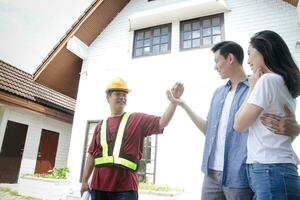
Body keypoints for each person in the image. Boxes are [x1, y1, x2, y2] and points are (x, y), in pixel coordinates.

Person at [167, 40, 300, 200]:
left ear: (230, 58)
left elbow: (278, 124)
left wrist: (296, 128)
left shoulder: (257, 86)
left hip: (240, 175)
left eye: (217, 61)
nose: (215, 66)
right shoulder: (218, 93)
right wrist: (183, 104)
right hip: (211, 174)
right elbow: (209, 131)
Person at [80, 78, 184, 200]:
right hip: (98, 188)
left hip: (125, 189)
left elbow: (162, 122)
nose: (122, 97)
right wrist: (84, 181)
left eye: (124, 95)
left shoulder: (137, 119)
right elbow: (91, 155)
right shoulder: (100, 126)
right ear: (108, 98)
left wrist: (174, 102)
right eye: (117, 94)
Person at [234, 30, 300, 199]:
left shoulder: (267, 80)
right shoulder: (285, 84)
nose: (248, 61)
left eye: (249, 54)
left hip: (269, 168)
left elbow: (239, 124)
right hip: (281, 168)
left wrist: (251, 87)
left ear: (264, 50)